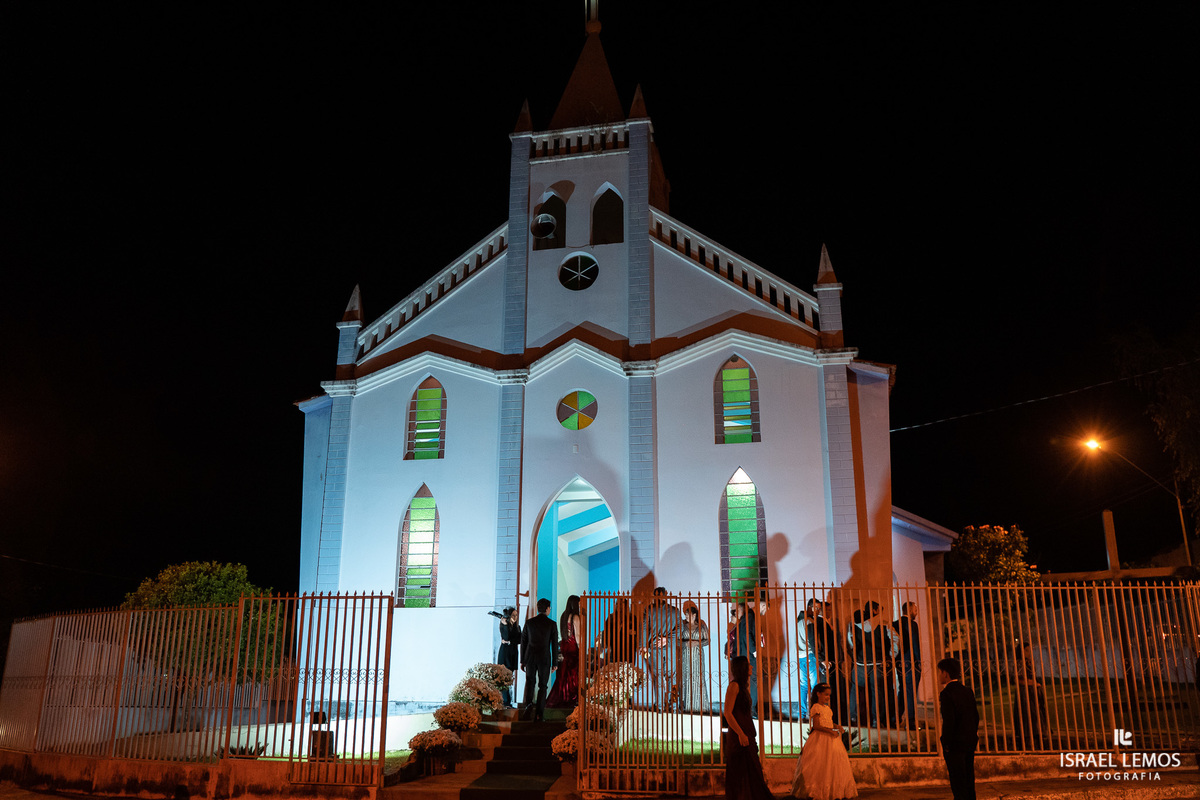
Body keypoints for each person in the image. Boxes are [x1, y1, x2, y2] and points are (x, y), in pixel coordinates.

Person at [791, 683, 858, 800]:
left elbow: (828, 722)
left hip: (831, 739)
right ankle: (816, 791)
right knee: (820, 764)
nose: (828, 697)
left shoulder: (827, 709)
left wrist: (836, 726)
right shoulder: (816, 707)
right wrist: (830, 731)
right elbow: (816, 725)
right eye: (826, 695)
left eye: (829, 695)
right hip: (820, 739)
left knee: (832, 763)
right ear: (818, 694)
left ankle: (833, 790)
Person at [722, 655, 773, 800]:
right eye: (748, 665)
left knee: (752, 770)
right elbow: (728, 712)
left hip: (746, 732)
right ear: (742, 668)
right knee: (740, 771)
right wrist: (740, 734)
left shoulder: (743, 687)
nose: (751, 667)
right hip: (739, 735)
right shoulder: (734, 686)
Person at [937, 657, 979, 800]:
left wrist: (946, 743)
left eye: (940, 672)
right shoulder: (967, 691)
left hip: (955, 744)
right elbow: (975, 716)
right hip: (969, 741)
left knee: (958, 781)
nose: (939, 675)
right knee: (968, 779)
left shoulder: (946, 694)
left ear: (946, 674)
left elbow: (949, 721)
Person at [847, 601, 894, 727]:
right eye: (878, 609)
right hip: (878, 663)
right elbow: (895, 639)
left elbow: (850, 641)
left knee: (855, 690)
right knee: (878, 692)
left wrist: (854, 655)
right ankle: (876, 720)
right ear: (874, 610)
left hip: (860, 663)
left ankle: (853, 717)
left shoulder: (855, 624)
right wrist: (892, 654)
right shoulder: (884, 624)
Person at [640, 586, 680, 711]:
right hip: (670, 649)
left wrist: (644, 646)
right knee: (672, 679)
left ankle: (660, 707)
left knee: (658, 678)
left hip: (654, 648)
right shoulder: (675, 611)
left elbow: (645, 628)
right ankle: (674, 706)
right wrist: (667, 640)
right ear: (665, 595)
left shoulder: (649, 610)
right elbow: (679, 630)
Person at [520, 598, 559, 721]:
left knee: (530, 683)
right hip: (544, 658)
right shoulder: (552, 624)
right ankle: (539, 714)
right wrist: (555, 663)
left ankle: (528, 706)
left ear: (538, 608)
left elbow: (523, 643)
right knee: (543, 686)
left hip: (530, 657)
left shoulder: (529, 623)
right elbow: (554, 645)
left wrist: (522, 661)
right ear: (547, 609)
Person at [547, 595, 581, 708]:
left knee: (564, 673)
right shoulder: (575, 617)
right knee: (573, 673)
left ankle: (562, 696)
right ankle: (571, 697)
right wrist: (581, 649)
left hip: (565, 645)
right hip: (573, 647)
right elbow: (578, 635)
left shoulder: (563, 616)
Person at [892, 601, 921, 730]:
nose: (916, 612)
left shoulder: (894, 624)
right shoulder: (912, 625)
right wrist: (919, 661)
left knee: (903, 689)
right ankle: (911, 721)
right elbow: (915, 644)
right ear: (909, 610)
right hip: (910, 662)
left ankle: (895, 718)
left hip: (899, 662)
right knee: (911, 691)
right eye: (915, 609)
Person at [1013, 642, 1047, 748]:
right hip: (1025, 693)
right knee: (1027, 715)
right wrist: (1033, 683)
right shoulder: (1019, 663)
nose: (1029, 653)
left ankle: (1037, 737)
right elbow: (1018, 680)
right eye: (1026, 650)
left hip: (1033, 692)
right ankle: (1027, 741)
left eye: (1029, 650)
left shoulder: (1029, 663)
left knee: (1036, 714)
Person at [729, 600, 759, 716]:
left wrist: (753, 651)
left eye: (738, 610)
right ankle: (750, 709)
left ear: (742, 610)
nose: (736, 612)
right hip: (745, 656)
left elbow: (745, 636)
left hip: (744, 656)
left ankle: (749, 708)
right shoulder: (745, 619)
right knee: (750, 681)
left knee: (748, 682)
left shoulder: (747, 618)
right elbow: (745, 636)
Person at [679, 602, 710, 713]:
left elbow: (707, 641)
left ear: (694, 615)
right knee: (686, 677)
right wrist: (685, 644)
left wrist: (698, 643)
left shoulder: (701, 625)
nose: (686, 616)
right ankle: (686, 705)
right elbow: (676, 641)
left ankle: (700, 706)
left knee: (698, 678)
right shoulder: (682, 626)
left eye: (688, 614)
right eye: (685, 614)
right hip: (685, 656)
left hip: (697, 656)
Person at [797, 599, 821, 721]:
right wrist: (820, 658)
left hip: (801, 656)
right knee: (814, 687)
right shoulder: (809, 622)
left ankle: (801, 716)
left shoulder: (799, 621)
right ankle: (814, 715)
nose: (818, 611)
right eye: (816, 608)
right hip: (811, 656)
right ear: (810, 607)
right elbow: (813, 642)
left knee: (803, 686)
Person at [600, 596, 639, 666]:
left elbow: (638, 632)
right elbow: (606, 632)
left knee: (628, 669)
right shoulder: (611, 618)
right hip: (614, 648)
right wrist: (605, 645)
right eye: (617, 604)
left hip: (629, 648)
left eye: (621, 604)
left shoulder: (632, 618)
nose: (619, 606)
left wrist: (633, 632)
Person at [497, 606, 521, 708]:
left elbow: (519, 640)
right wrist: (505, 625)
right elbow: (505, 637)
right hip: (505, 653)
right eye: (513, 615)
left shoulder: (517, 627)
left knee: (509, 677)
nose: (515, 617)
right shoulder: (504, 625)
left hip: (513, 652)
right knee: (504, 678)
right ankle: (505, 701)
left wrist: (510, 642)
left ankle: (507, 701)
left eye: (516, 615)